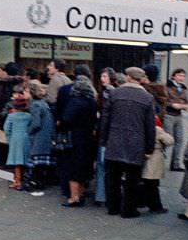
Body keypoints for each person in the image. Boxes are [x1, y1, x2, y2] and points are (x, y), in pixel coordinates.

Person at [99, 67, 155, 217]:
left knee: (112, 177)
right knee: (132, 179)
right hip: (136, 143)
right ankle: (128, 210)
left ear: (128, 77)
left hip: (115, 140)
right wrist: (149, 148)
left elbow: (105, 119)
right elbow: (150, 126)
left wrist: (103, 139)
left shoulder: (115, 94)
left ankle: (113, 207)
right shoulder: (147, 98)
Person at [59, 71, 97, 207]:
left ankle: (74, 197)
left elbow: (66, 119)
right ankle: (81, 194)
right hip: (88, 138)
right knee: (84, 167)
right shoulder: (92, 102)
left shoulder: (74, 102)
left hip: (75, 137)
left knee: (73, 168)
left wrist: (60, 123)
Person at [140, 116, 174, 213]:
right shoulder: (157, 129)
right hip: (155, 159)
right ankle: (156, 206)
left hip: (143, 158)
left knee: (145, 183)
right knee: (153, 185)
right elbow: (170, 140)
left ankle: (143, 202)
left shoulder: (142, 127)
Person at [94, 68, 117, 206]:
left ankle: (101, 196)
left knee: (102, 166)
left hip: (105, 134)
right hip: (106, 133)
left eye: (105, 76)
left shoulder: (108, 93)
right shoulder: (108, 92)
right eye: (101, 76)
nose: (102, 78)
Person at [25, 80, 54, 192]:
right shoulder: (43, 103)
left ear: (30, 92)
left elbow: (36, 123)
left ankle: (34, 182)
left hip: (39, 137)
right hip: (47, 136)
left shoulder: (35, 105)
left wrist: (29, 130)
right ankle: (40, 181)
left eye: (26, 91)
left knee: (35, 163)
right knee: (41, 164)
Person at [3, 89, 30, 190]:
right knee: (25, 159)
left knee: (16, 161)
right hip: (26, 138)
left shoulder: (11, 116)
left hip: (15, 138)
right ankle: (25, 180)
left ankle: (17, 181)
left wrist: (9, 138)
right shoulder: (29, 116)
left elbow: (7, 128)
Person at [165, 68, 188, 171]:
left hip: (178, 115)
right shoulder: (167, 87)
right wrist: (173, 104)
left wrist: (184, 105)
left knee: (179, 140)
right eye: (179, 75)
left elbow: (187, 102)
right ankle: (159, 160)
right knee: (166, 140)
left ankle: (175, 164)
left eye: (183, 76)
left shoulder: (183, 88)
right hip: (169, 115)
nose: (181, 78)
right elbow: (165, 101)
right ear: (174, 76)